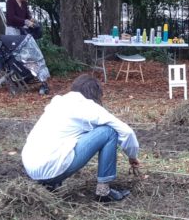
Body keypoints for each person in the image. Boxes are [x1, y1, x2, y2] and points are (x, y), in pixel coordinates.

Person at [21, 74, 139, 202]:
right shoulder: (87, 106)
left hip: (31, 169)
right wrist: (132, 156)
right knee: (108, 132)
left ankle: (49, 184)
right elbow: (127, 132)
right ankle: (103, 192)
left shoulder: (59, 102)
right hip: (51, 169)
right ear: (95, 93)